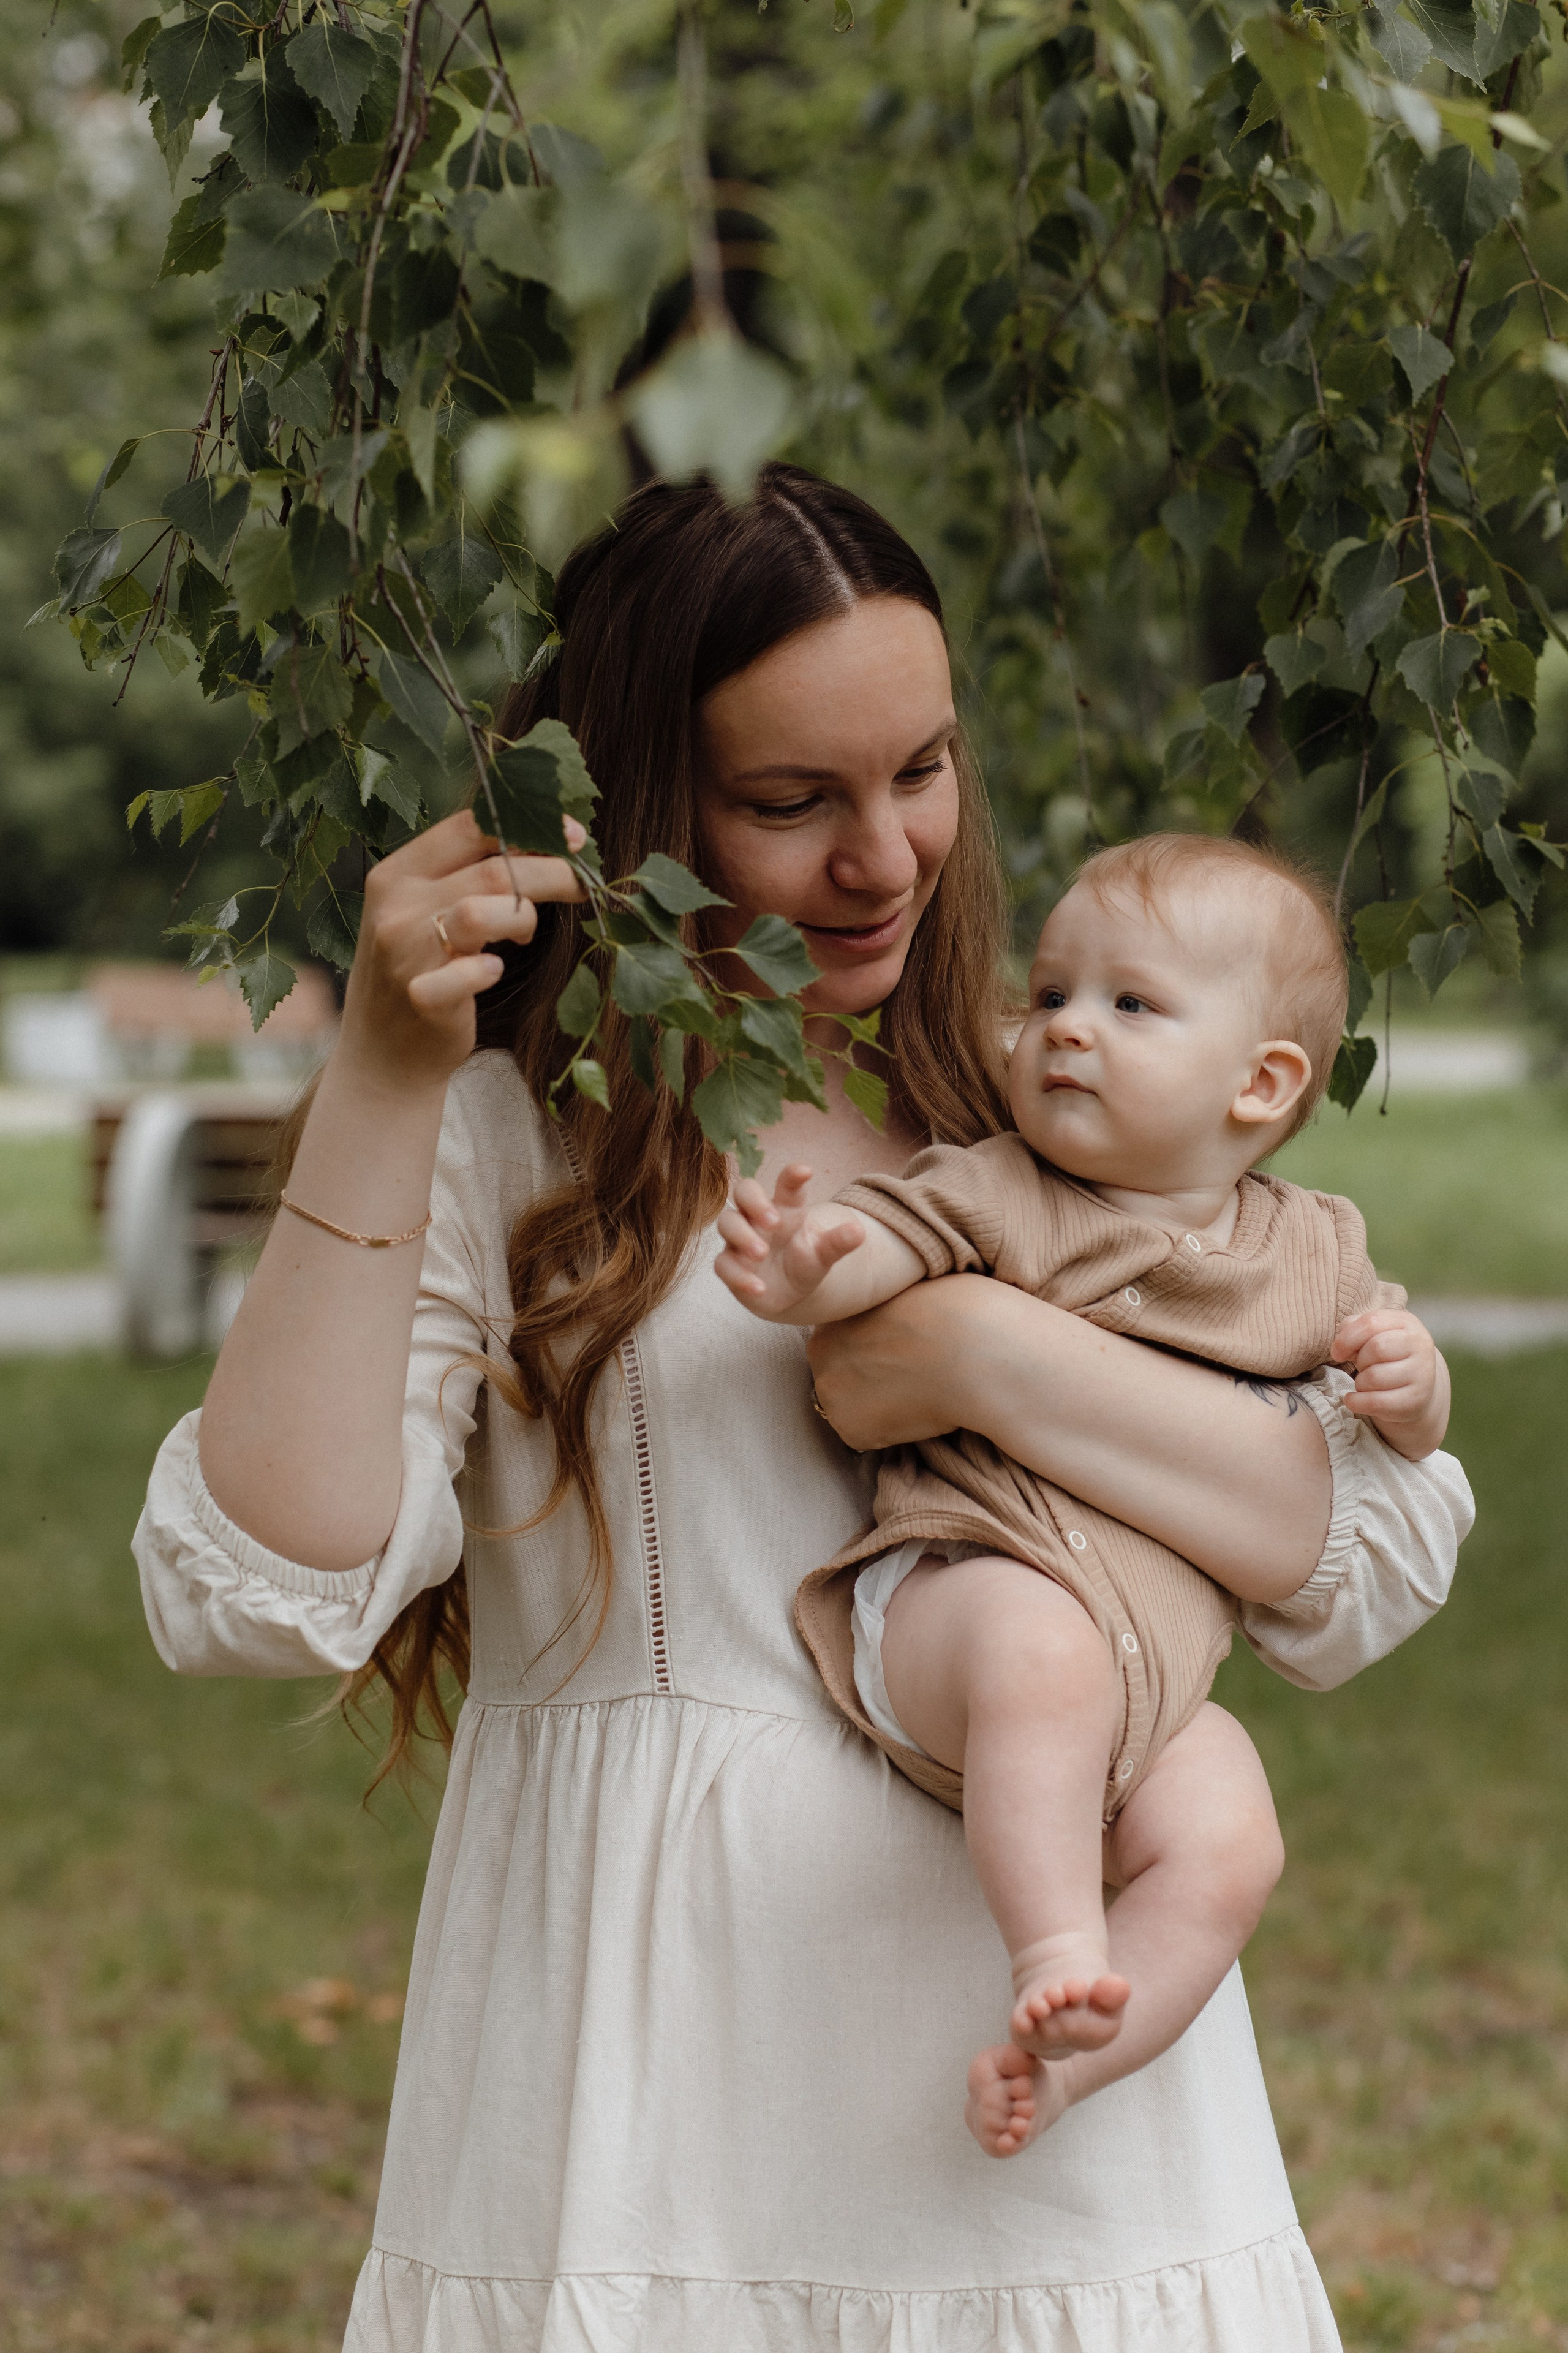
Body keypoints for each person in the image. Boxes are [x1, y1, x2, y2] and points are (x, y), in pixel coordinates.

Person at [134, 466, 1473, 2353]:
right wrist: (376, 1074)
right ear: (634, 809)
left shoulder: (1050, 1104)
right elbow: (260, 1589)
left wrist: (982, 1356)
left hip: (1057, 2105)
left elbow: (1358, 1557)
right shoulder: (509, 1138)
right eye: (791, 801)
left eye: (922, 770)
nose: (885, 859)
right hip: (664, 2086)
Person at [715, 829, 1452, 2160]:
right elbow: (888, 1242)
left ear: (1260, 1082)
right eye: (1051, 991)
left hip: (1150, 1677)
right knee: (1045, 1658)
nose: (1064, 1026)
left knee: (1231, 1834)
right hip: (961, 1595)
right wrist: (809, 1267)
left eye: (1130, 1004)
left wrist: (1414, 1382)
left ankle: (1074, 2059)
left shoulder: (1311, 1249)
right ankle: (1053, 1946)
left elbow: (1394, 1413)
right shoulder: (1003, 1185)